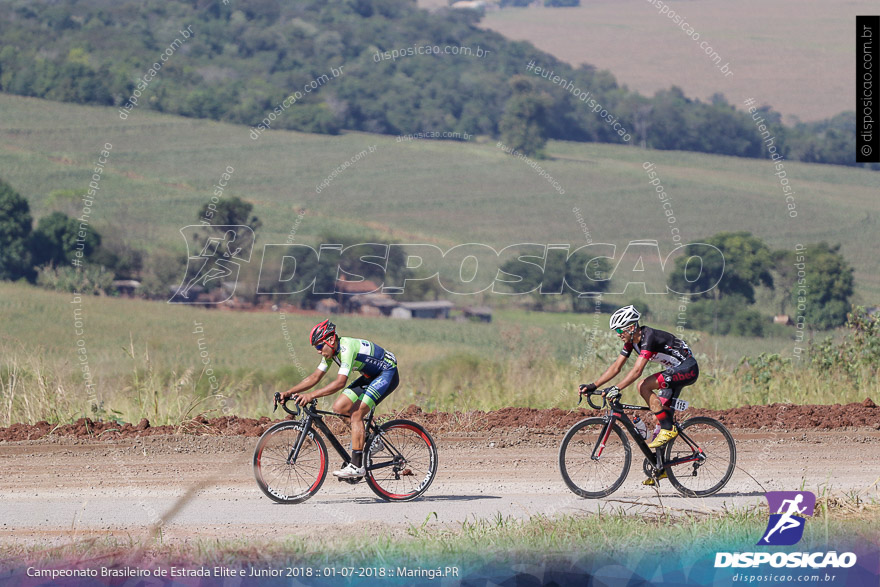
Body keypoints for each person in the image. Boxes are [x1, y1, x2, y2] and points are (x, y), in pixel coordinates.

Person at [578, 305, 699, 485]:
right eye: (616, 330)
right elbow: (616, 367)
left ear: (631, 327)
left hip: (688, 368)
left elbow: (636, 372)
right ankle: (661, 468)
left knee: (643, 386)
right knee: (659, 417)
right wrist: (594, 385)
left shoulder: (648, 337)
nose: (618, 334)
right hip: (674, 370)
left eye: (620, 329)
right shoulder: (631, 342)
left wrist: (616, 388)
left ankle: (669, 428)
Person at [280, 319, 399, 479]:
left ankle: (357, 466)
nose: (318, 351)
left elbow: (340, 383)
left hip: (387, 373)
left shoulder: (346, 348)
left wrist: (311, 395)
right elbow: (315, 377)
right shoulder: (331, 353)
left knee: (356, 414)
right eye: (316, 347)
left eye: (319, 346)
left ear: (330, 340)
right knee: (340, 407)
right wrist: (288, 392)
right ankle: (372, 441)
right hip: (370, 376)